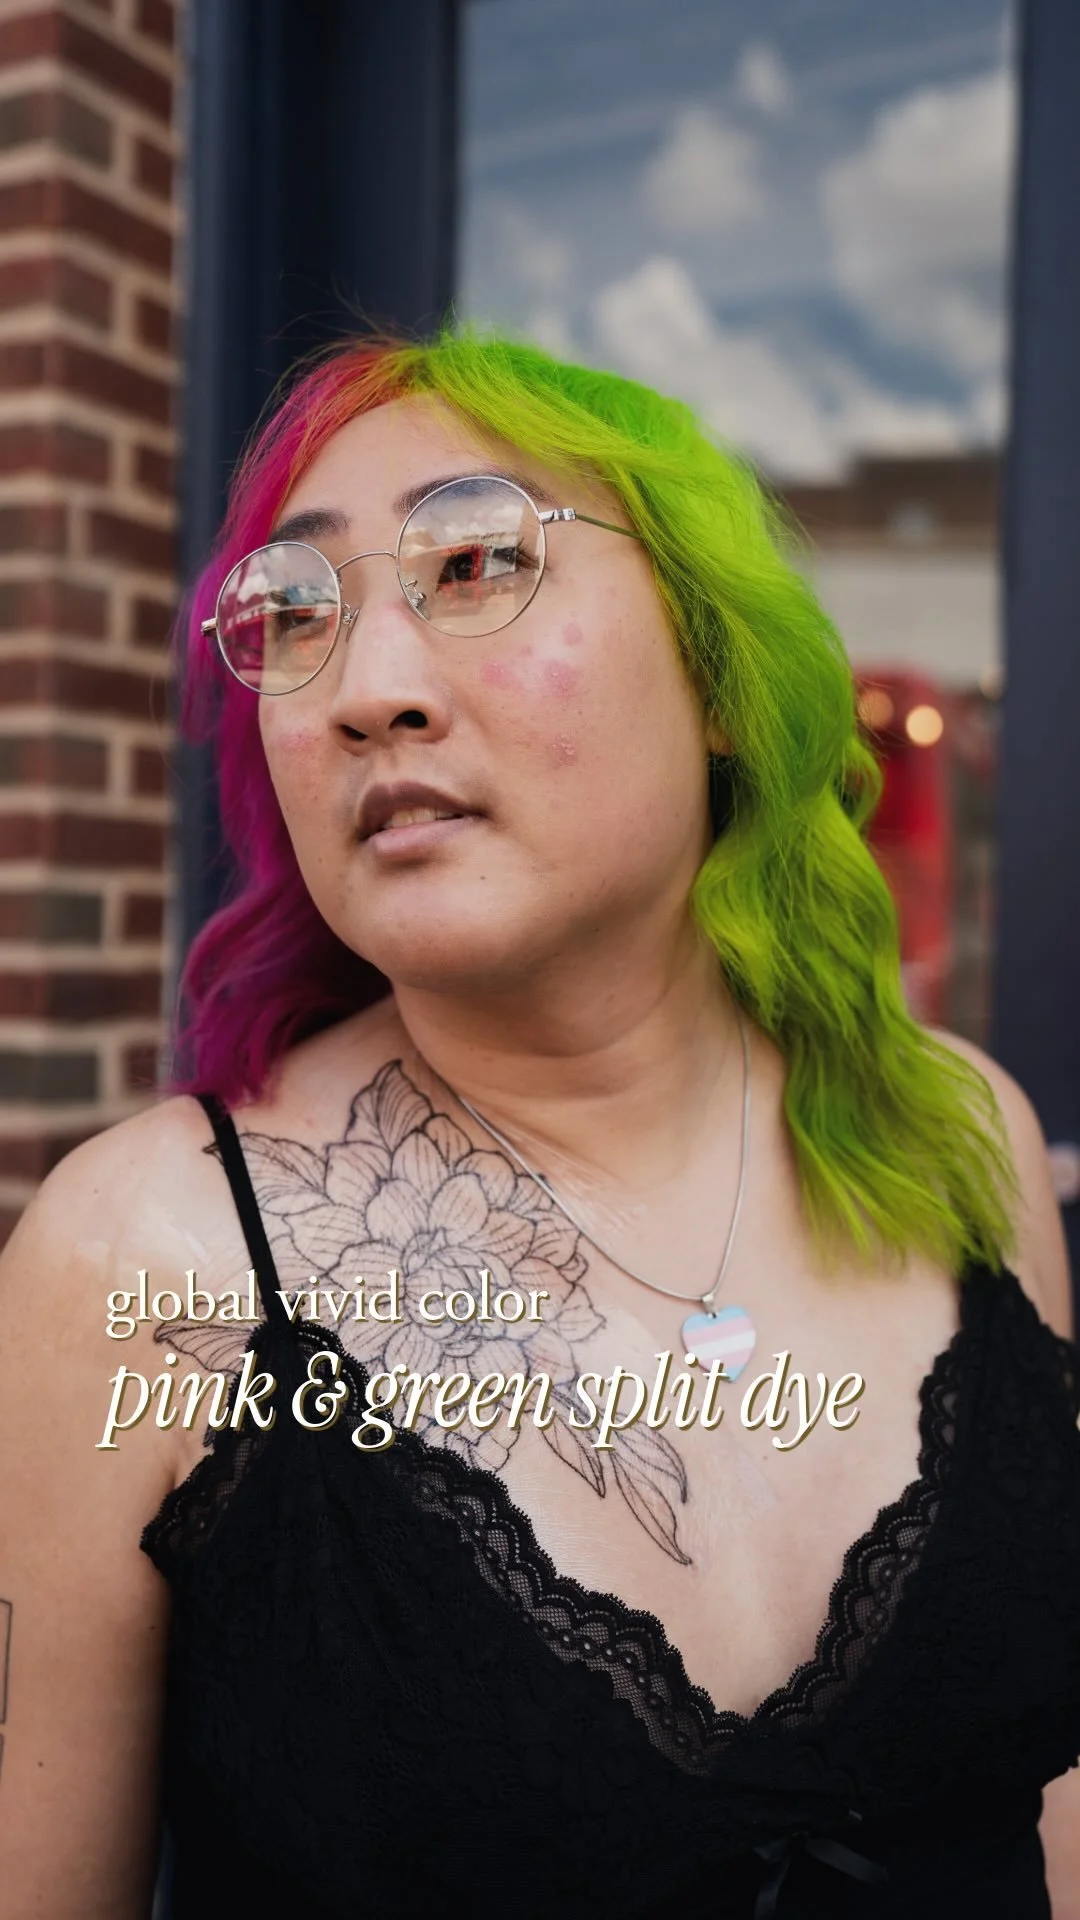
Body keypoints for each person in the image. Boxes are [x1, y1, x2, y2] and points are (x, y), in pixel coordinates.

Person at [0, 331, 1077, 1920]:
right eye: (294, 611)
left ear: (717, 672)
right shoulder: (142, 1265)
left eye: (477, 562)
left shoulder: (960, 1141)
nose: (366, 690)